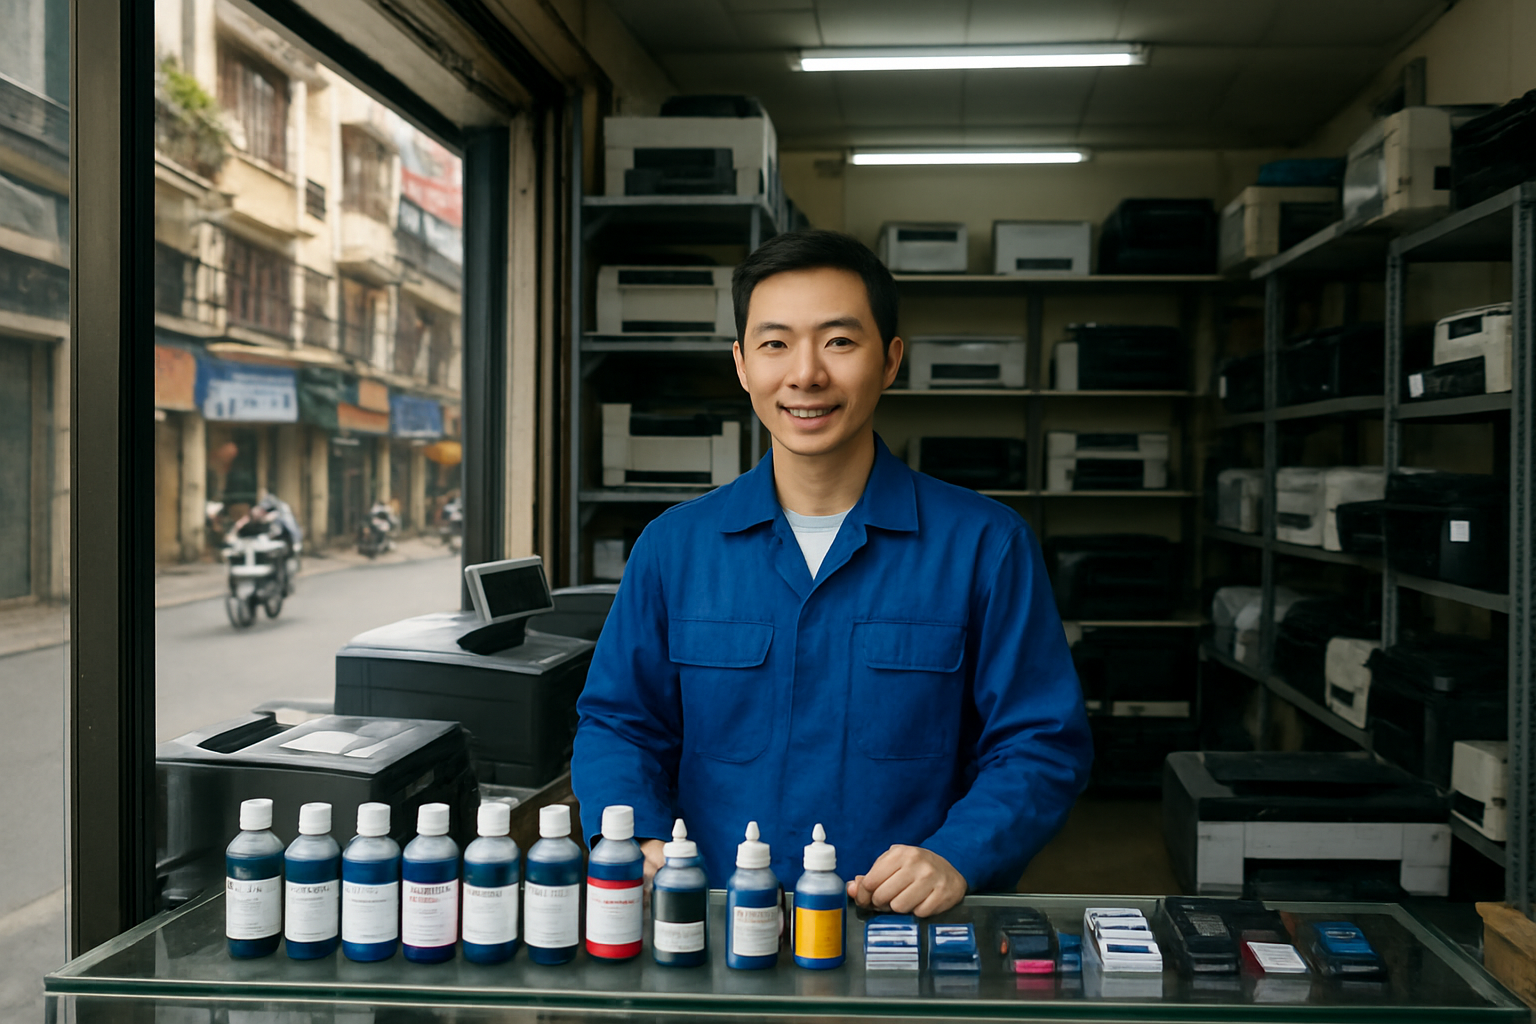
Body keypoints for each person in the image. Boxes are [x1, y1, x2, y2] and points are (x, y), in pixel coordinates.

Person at [572, 229, 1092, 917]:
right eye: (775, 343)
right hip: (714, 925)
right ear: (741, 365)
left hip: (906, 934)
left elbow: (1039, 741)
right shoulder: (674, 548)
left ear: (890, 360)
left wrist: (958, 853)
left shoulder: (985, 546)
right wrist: (633, 834)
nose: (806, 374)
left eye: (840, 342)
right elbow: (620, 722)